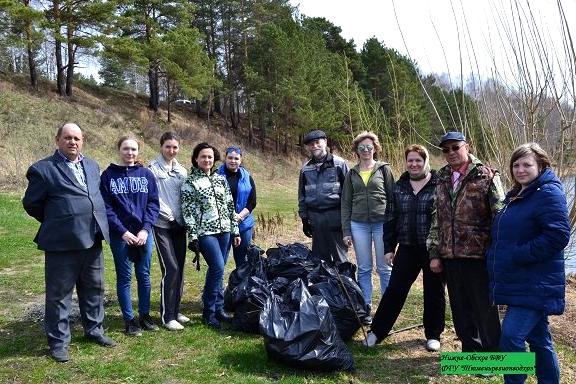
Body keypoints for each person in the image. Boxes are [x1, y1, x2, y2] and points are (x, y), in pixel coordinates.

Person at [22, 122, 116, 363]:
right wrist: (59, 219)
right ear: (57, 140)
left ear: (82, 141)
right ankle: (58, 342)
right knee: (59, 295)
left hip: (93, 239)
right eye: (67, 138)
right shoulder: (43, 169)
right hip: (62, 244)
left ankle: (94, 330)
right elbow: (31, 204)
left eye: (77, 138)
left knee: (94, 288)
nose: (72, 142)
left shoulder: (92, 165)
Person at [486, 143, 570, 384]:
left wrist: (518, 254)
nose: (520, 169)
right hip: (521, 282)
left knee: (510, 338)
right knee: (540, 340)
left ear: (541, 165)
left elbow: (558, 236)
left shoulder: (548, 193)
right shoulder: (517, 195)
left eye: (527, 164)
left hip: (536, 282)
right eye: (516, 165)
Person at [427, 131, 504, 352]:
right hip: (450, 256)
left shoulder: (487, 175)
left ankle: (492, 356)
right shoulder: (440, 177)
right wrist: (434, 253)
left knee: (485, 309)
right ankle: (471, 353)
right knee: (460, 309)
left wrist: (498, 254)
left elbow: (500, 217)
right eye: (446, 150)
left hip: (479, 256)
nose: (451, 153)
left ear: (467, 147)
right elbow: (436, 218)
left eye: (455, 147)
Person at [364, 144, 445, 351]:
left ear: (426, 161)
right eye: (410, 160)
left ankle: (433, 334)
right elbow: (390, 218)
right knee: (395, 290)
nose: (414, 164)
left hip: (433, 250)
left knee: (434, 291)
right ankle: (377, 332)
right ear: (406, 162)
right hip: (407, 248)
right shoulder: (399, 186)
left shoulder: (439, 184)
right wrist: (389, 247)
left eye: (418, 159)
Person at [100, 136, 160, 336]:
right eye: (126, 149)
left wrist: (145, 229)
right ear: (119, 150)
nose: (130, 153)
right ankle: (129, 319)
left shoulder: (146, 175)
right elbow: (106, 208)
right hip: (121, 235)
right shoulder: (108, 176)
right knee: (124, 277)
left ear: (138, 151)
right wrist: (123, 232)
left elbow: (153, 204)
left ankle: (144, 315)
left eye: (133, 149)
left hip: (143, 234)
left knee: (144, 275)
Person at [181, 142, 240, 329]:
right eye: (203, 156)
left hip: (224, 231)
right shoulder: (190, 182)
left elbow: (230, 206)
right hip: (205, 232)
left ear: (214, 159)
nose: (207, 160)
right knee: (217, 267)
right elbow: (187, 211)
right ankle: (209, 311)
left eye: (210, 157)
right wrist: (193, 236)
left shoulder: (220, 179)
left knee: (218, 270)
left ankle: (219, 308)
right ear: (196, 159)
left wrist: (235, 230)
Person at [341, 131, 394, 320]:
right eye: (361, 147)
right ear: (357, 150)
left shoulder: (384, 169)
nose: (365, 150)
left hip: (381, 223)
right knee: (364, 267)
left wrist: (392, 227)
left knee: (384, 267)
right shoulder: (351, 173)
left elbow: (392, 198)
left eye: (369, 147)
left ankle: (388, 308)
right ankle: (366, 307)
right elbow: (345, 203)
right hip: (358, 224)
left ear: (375, 149)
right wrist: (346, 230)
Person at [149, 132, 189, 331]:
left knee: (180, 268)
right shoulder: (152, 169)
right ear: (161, 146)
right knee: (170, 268)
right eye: (168, 146)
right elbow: (154, 198)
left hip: (180, 227)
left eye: (175, 147)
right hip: (162, 225)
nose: (171, 151)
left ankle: (176, 309)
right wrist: (171, 218)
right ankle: (167, 316)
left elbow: (185, 198)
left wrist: (184, 220)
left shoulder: (182, 171)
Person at [298, 129, 349, 264]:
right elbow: (301, 196)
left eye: (317, 142)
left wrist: (347, 221)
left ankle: (344, 284)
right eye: (311, 144)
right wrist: (304, 219)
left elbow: (348, 194)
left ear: (325, 142)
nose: (314, 146)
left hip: (335, 217)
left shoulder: (339, 164)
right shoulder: (305, 169)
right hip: (315, 219)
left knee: (340, 259)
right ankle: (324, 285)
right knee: (320, 261)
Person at [216, 146, 257, 269]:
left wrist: (239, 216)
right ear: (225, 158)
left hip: (243, 224)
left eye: (236, 158)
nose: (233, 161)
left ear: (240, 160)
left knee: (243, 261)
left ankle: (241, 287)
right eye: (230, 158)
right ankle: (215, 288)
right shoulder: (216, 175)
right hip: (222, 225)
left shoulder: (247, 177)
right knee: (219, 261)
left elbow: (252, 201)